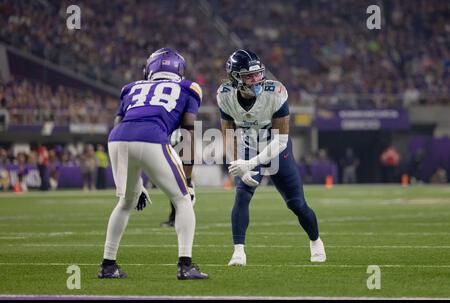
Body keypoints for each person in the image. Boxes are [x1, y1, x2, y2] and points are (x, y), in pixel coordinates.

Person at [98, 48, 208, 280]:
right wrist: (187, 179)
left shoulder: (131, 88)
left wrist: (136, 185)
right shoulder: (189, 88)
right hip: (152, 136)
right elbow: (188, 132)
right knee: (182, 199)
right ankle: (185, 266)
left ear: (150, 68)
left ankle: (108, 265)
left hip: (117, 139)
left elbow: (119, 125)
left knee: (125, 202)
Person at [217, 50, 326, 266]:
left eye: (258, 74)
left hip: (276, 148)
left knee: (296, 204)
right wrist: (239, 163)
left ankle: (316, 241)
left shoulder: (275, 92)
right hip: (248, 146)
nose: (256, 80)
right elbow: (228, 134)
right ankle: (238, 251)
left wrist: (251, 163)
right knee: (242, 194)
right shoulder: (225, 94)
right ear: (235, 78)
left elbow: (281, 140)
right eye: (249, 76)